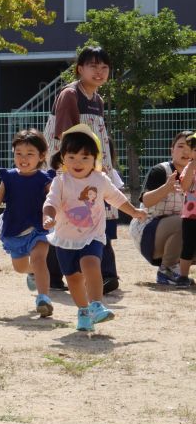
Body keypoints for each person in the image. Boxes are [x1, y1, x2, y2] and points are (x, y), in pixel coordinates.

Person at [43, 124, 147, 332]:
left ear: (94, 159)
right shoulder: (60, 181)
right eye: (71, 157)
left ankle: (97, 305)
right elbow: (50, 203)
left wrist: (134, 211)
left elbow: (117, 198)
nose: (78, 162)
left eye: (84, 157)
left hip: (93, 236)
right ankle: (83, 311)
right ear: (63, 158)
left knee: (91, 264)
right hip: (65, 238)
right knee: (73, 278)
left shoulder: (100, 180)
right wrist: (49, 216)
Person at [43, 47, 121, 294]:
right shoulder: (70, 94)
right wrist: (77, 172)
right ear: (80, 69)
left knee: (92, 217)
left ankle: (101, 274)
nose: (99, 72)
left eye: (104, 67)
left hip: (91, 167)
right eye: (93, 66)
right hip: (73, 168)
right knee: (70, 218)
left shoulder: (96, 99)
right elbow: (67, 138)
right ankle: (58, 275)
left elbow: (100, 137)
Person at [0, 129, 55, 316]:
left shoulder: (45, 179)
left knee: (39, 259)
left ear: (41, 156)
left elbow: (55, 201)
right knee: (20, 267)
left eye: (29, 154)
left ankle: (43, 298)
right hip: (14, 229)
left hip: (39, 228)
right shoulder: (9, 177)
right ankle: (32, 273)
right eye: (18, 153)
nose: (23, 158)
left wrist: (53, 216)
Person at [128, 131, 194, 286]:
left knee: (189, 223)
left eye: (190, 147)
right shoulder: (161, 170)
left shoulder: (193, 174)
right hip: (149, 231)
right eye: (180, 146)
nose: (185, 151)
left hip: (176, 234)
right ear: (172, 149)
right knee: (184, 221)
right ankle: (167, 270)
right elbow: (146, 200)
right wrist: (166, 188)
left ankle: (179, 269)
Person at [180, 134, 196, 283]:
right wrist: (192, 165)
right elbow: (184, 187)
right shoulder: (188, 168)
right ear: (191, 152)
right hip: (190, 215)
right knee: (188, 246)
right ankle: (183, 277)